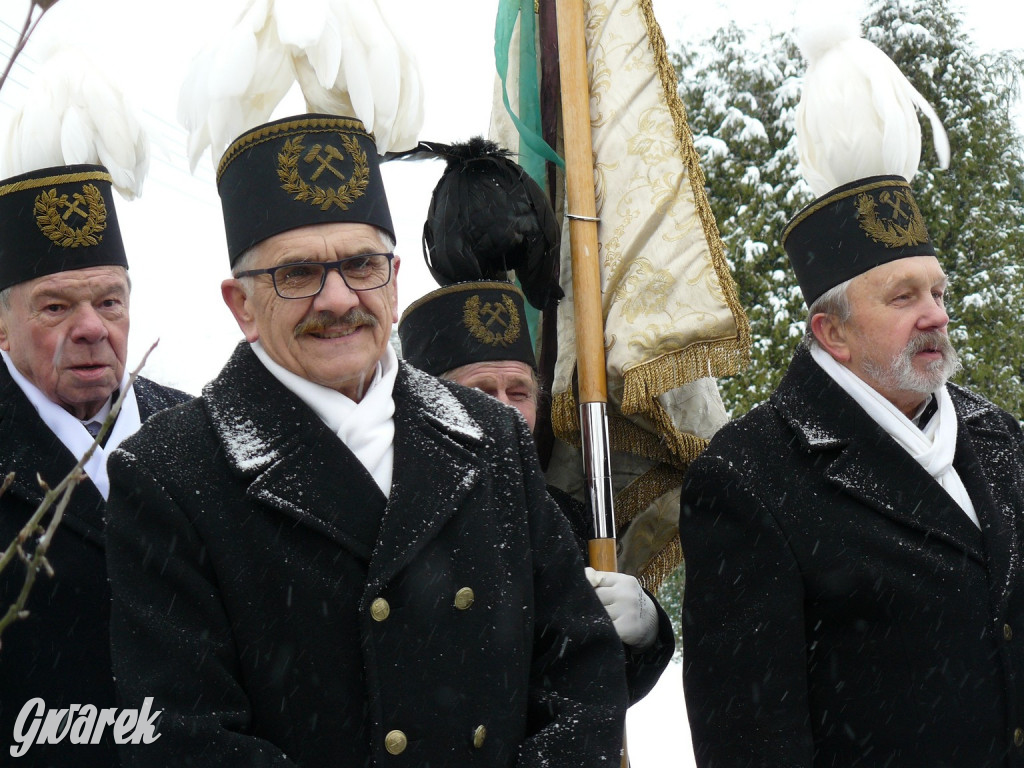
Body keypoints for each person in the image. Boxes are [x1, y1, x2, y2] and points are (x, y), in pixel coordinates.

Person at [104, 114, 628, 767]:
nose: (337, 298)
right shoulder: (168, 472)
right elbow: (186, 740)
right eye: (297, 273)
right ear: (240, 304)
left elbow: (581, 670)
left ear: (395, 275)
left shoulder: (490, 435)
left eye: (361, 264)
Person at [677, 20, 1024, 768]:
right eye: (903, 297)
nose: (936, 313)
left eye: (937, 291)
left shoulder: (998, 435)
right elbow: (752, 742)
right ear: (831, 332)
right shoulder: (749, 479)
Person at [398, 279, 675, 704]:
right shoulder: (389, 509)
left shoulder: (562, 518)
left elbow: (594, 690)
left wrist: (648, 634)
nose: (505, 409)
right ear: (429, 402)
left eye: (519, 392)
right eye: (481, 391)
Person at [0, 164, 190, 766]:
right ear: (2, 326)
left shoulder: (199, 435)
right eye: (55, 307)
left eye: (109, 301)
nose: (90, 329)